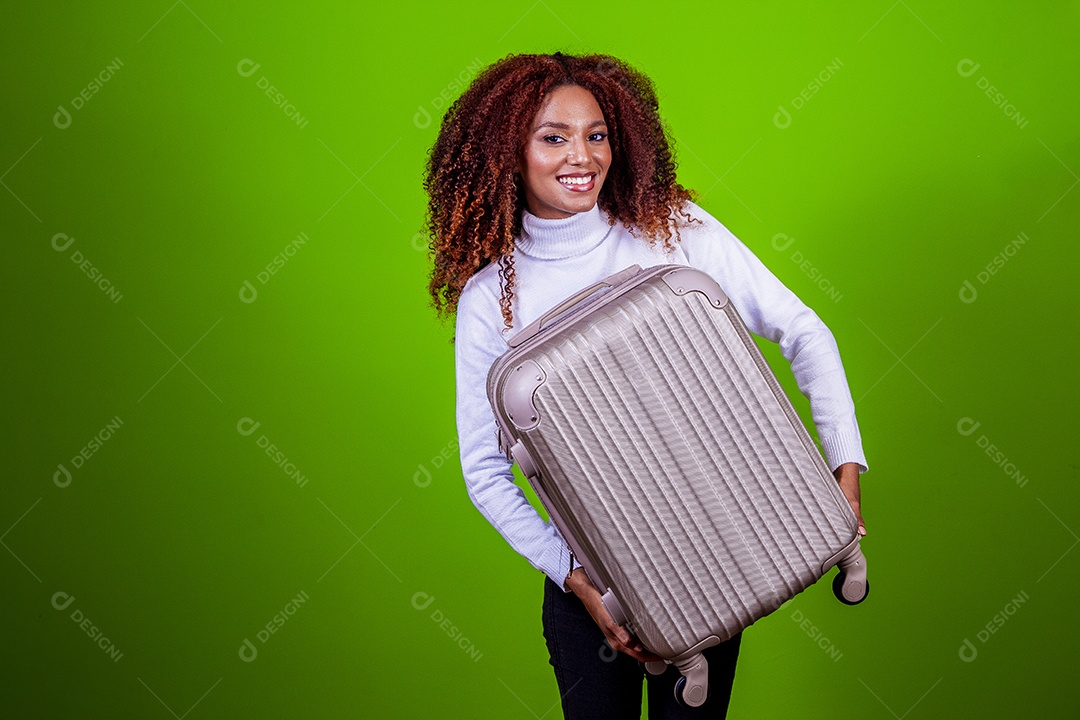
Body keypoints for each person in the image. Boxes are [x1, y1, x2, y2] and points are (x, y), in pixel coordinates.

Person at [423, 52, 867, 719]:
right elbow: (485, 470)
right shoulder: (493, 297)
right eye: (553, 137)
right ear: (507, 153)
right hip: (590, 592)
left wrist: (845, 471)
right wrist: (578, 581)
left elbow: (805, 332)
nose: (582, 155)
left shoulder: (673, 232)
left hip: (716, 559)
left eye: (596, 134)